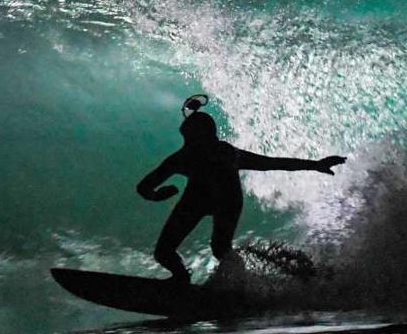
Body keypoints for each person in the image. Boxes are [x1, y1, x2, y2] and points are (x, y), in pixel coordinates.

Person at [136, 96, 347, 283]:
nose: (195, 143)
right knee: (164, 252)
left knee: (220, 249)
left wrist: (315, 164)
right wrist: (157, 195)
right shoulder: (183, 157)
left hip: (226, 200)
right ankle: (182, 279)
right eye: (190, 139)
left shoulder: (224, 153)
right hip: (198, 198)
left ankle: (239, 285)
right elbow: (144, 187)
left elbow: (271, 163)